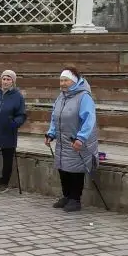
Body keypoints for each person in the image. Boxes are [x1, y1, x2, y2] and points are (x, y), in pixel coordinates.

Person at [45, 67, 99, 212]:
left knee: (75, 169)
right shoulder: (61, 97)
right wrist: (51, 133)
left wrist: (81, 138)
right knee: (63, 168)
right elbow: (55, 117)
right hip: (62, 141)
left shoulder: (84, 97)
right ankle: (67, 196)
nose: (62, 83)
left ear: (74, 81)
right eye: (61, 80)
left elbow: (89, 119)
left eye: (66, 80)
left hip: (77, 140)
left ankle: (75, 199)